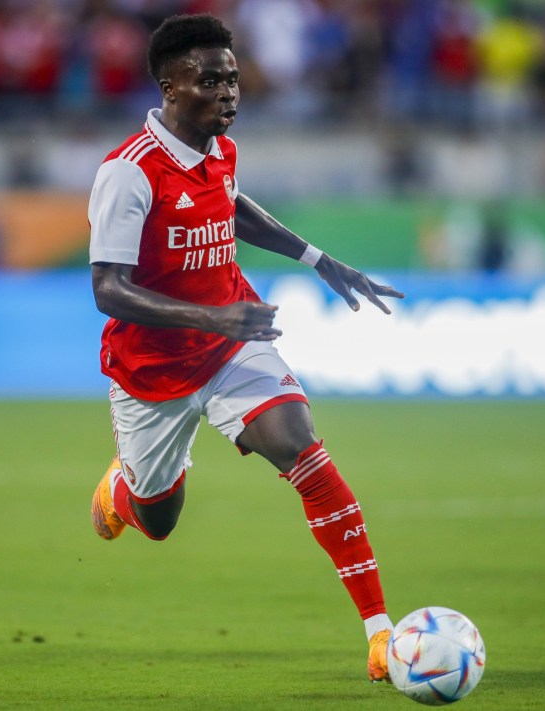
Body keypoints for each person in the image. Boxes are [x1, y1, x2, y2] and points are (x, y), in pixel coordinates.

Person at [87, 14, 404, 682]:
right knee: (160, 518)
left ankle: (381, 632)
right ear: (171, 86)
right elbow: (109, 290)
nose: (228, 92)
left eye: (232, 78)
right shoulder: (128, 174)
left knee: (300, 442)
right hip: (152, 372)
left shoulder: (219, 150)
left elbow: (229, 204)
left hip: (232, 346)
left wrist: (319, 258)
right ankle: (125, 489)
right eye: (210, 80)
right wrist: (212, 316)